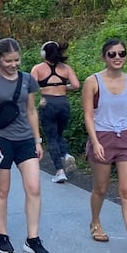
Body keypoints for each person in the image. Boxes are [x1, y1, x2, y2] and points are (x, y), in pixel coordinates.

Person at [0, 38, 50, 253]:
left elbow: (31, 111)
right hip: (0, 140)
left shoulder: (28, 79)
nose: (13, 64)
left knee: (34, 188)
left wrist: (38, 140)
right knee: (2, 190)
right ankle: (3, 236)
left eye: (17, 60)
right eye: (8, 60)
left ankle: (33, 239)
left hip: (25, 139)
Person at [82, 39, 127, 253]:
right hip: (102, 137)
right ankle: (95, 221)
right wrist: (95, 142)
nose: (117, 58)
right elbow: (87, 115)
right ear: (104, 57)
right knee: (101, 188)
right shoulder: (92, 82)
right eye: (112, 54)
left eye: (121, 53)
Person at [30, 41, 80, 183]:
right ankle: (66, 154)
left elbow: (31, 88)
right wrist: (63, 87)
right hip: (63, 103)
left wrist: (43, 90)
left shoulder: (38, 69)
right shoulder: (66, 68)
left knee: (51, 137)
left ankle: (60, 171)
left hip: (48, 103)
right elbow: (76, 85)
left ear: (44, 53)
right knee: (59, 134)